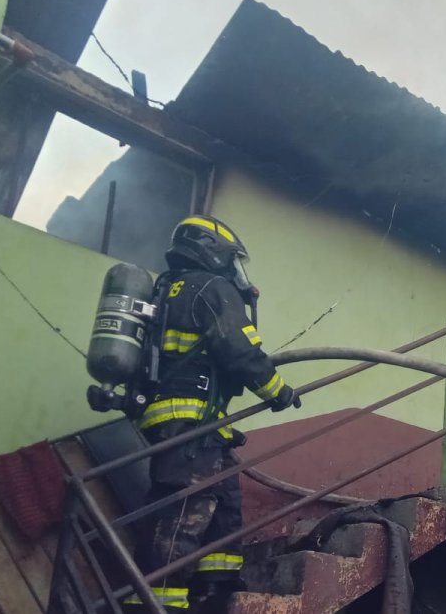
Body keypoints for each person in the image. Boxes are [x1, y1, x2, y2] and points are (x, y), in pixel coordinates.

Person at [124, 215, 301, 613]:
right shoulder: (212, 286)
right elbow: (241, 352)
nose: (236, 270)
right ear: (213, 251)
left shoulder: (168, 290)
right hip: (191, 421)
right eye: (232, 259)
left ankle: (215, 585)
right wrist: (280, 392)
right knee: (187, 506)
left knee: (224, 498)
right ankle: (154, 601)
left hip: (183, 421)